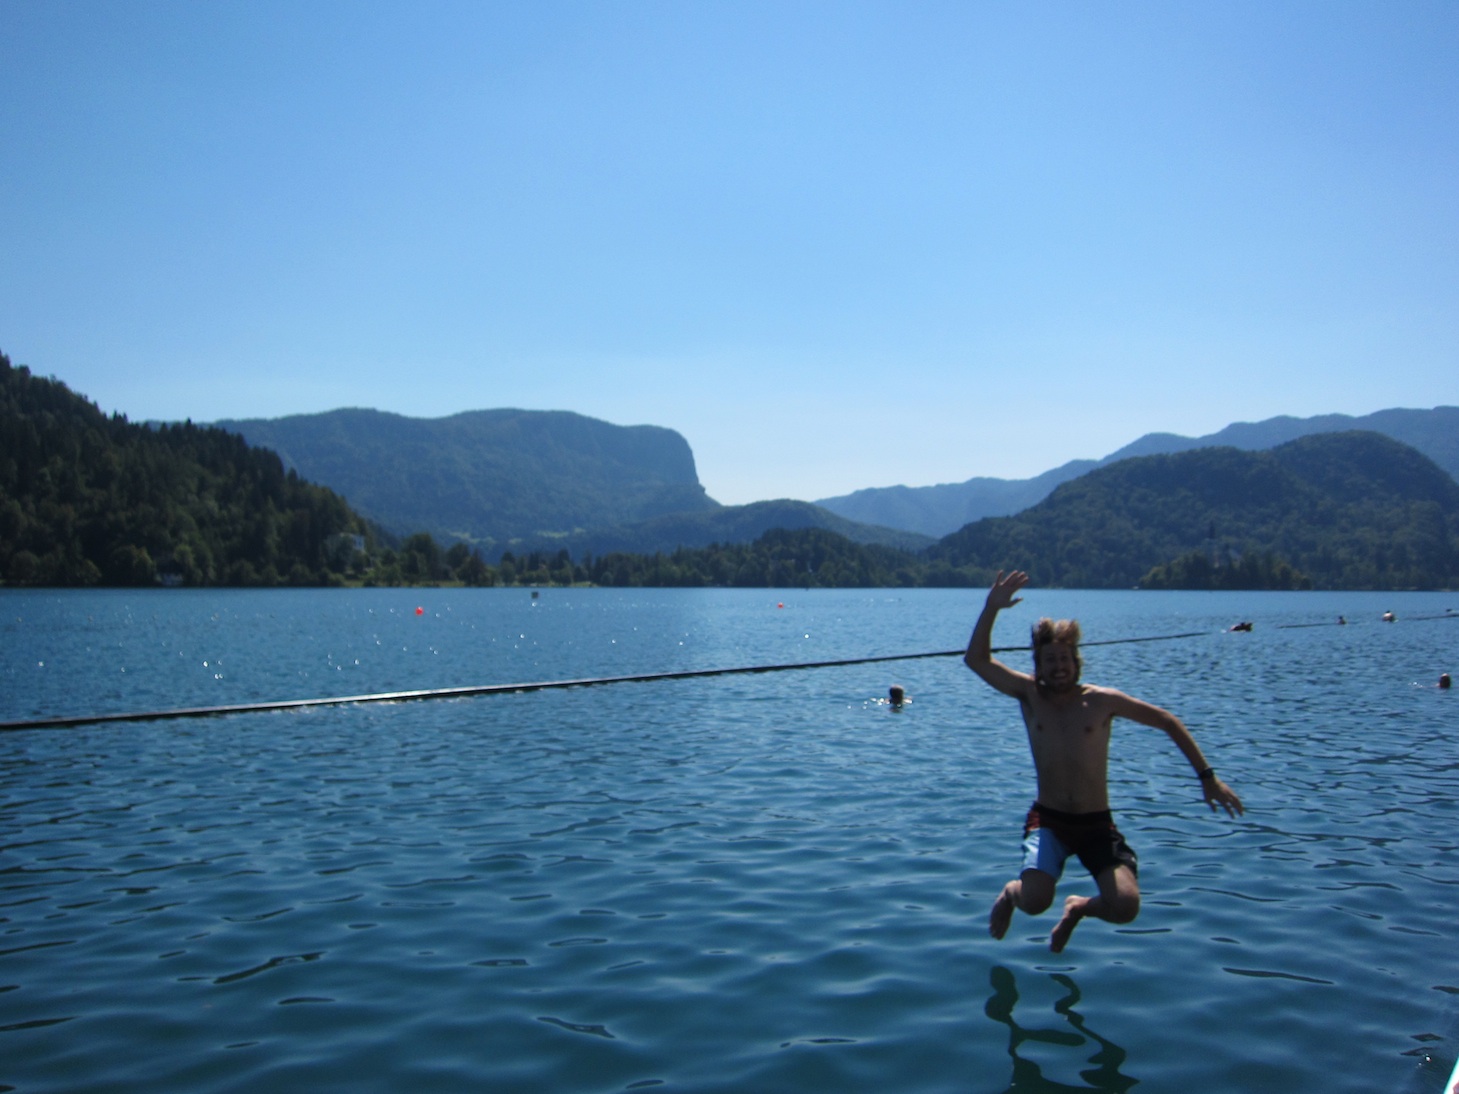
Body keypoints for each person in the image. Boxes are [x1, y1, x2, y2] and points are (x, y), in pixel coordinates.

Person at [964, 570, 1244, 952]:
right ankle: (1011, 894)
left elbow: (1167, 720)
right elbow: (976, 659)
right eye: (1050, 660)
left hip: (1095, 823)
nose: (1058, 667)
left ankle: (1078, 908)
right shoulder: (1030, 695)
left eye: (1064, 659)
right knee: (1035, 901)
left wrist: (1207, 777)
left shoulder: (1101, 701)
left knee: (1126, 906)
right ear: (1038, 666)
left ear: (1076, 661)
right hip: (1049, 821)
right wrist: (991, 609)